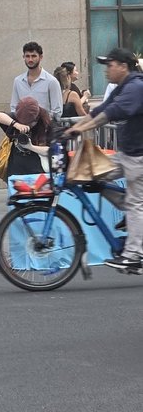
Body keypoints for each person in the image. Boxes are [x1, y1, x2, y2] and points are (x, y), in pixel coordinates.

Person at [66, 47, 143, 272]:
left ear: (123, 67)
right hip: (127, 155)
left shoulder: (136, 87)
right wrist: (72, 128)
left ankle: (133, 255)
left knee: (135, 203)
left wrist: (78, 130)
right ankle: (130, 216)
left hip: (139, 158)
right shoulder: (123, 87)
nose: (106, 70)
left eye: (110, 65)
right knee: (93, 176)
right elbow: (101, 109)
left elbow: (110, 114)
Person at [0, 97, 52, 179]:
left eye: (29, 123)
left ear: (36, 119)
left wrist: (30, 147)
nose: (27, 126)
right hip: (16, 168)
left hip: (38, 169)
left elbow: (51, 150)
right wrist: (16, 124)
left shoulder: (46, 124)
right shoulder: (16, 120)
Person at [11, 42, 62, 119]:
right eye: (27, 56)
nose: (30, 59)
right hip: (23, 127)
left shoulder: (51, 81)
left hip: (44, 127)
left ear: (41, 57)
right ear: (23, 57)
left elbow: (57, 111)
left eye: (34, 56)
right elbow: (14, 107)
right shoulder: (18, 81)